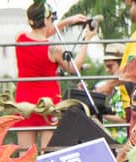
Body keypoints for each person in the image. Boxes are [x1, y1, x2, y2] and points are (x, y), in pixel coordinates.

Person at [12, 3, 85, 148]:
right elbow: (74, 67)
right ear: (45, 20)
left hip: (24, 103)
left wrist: (68, 21)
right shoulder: (53, 49)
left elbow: (41, 34)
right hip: (48, 103)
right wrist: (86, 40)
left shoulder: (19, 39)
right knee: (49, 152)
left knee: (25, 154)